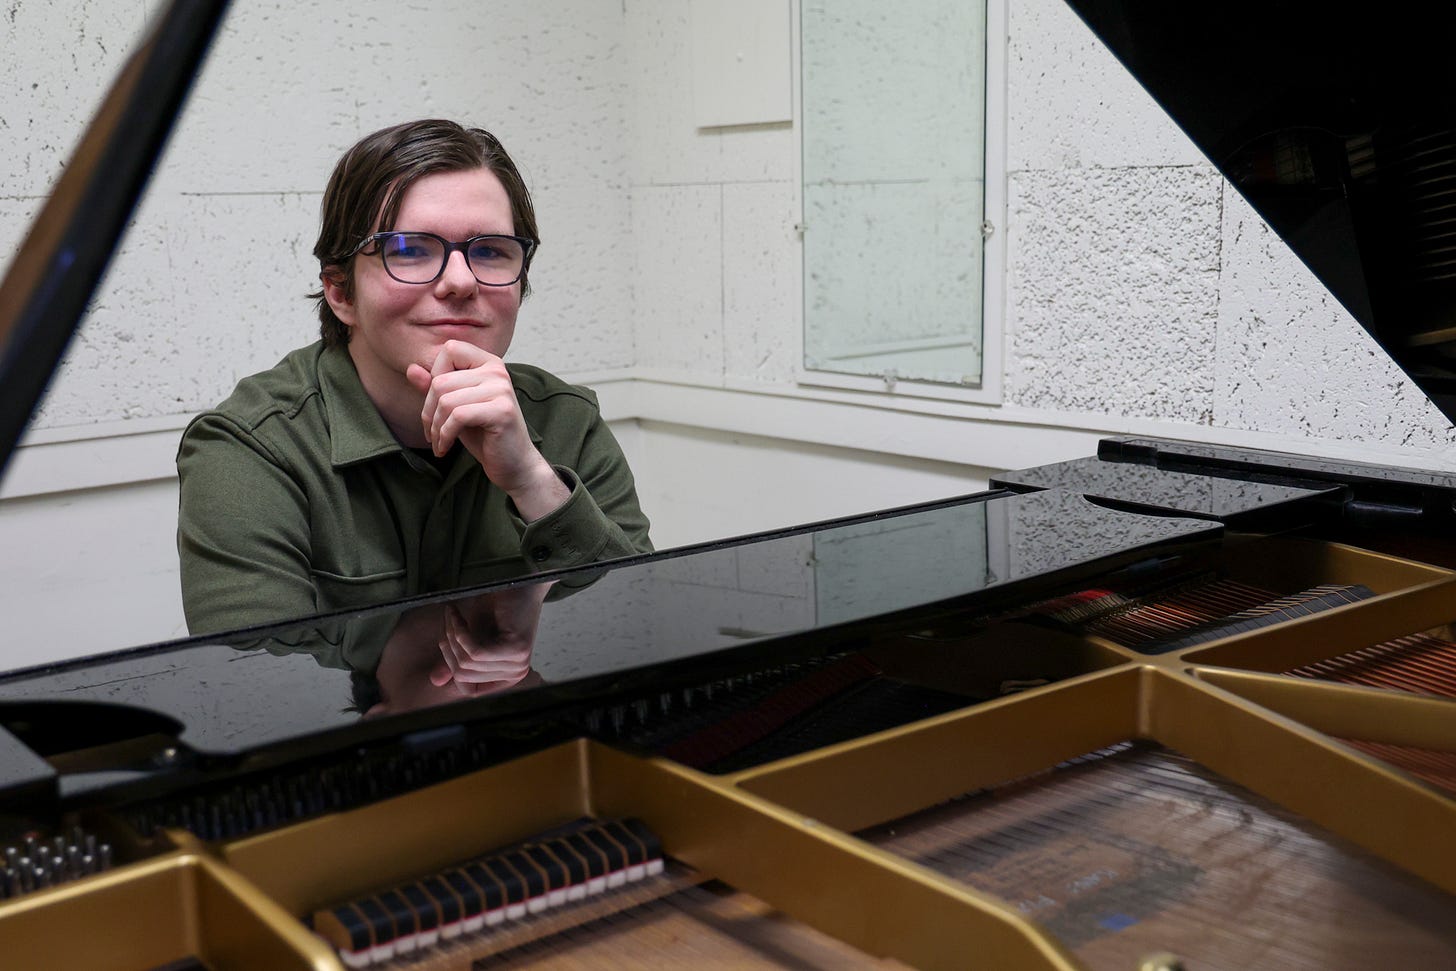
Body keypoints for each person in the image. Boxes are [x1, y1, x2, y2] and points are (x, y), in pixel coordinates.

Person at [177, 120, 651, 636]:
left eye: (491, 251)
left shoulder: (565, 419)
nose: (461, 281)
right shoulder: (251, 447)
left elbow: (638, 633)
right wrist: (404, 669)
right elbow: (253, 686)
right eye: (408, 248)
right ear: (340, 292)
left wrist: (533, 482)